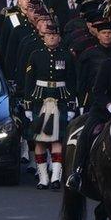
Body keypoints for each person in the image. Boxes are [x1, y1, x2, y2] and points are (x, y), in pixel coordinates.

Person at [22, 24, 76, 189]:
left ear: (59, 37)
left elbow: (72, 81)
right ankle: (43, 178)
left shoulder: (66, 55)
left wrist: (72, 105)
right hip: (40, 100)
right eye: (48, 35)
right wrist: (28, 106)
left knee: (57, 140)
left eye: (55, 35)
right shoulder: (35, 55)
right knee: (39, 141)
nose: (52, 37)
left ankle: (55, 178)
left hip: (60, 99)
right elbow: (29, 81)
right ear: (43, 37)